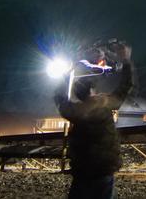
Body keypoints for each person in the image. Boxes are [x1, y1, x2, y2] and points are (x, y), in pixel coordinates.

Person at [54, 43, 134, 199]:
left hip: (82, 170)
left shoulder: (74, 112)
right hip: (103, 168)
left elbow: (60, 98)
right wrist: (126, 61)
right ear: (92, 92)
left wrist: (67, 75)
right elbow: (126, 86)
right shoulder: (105, 105)